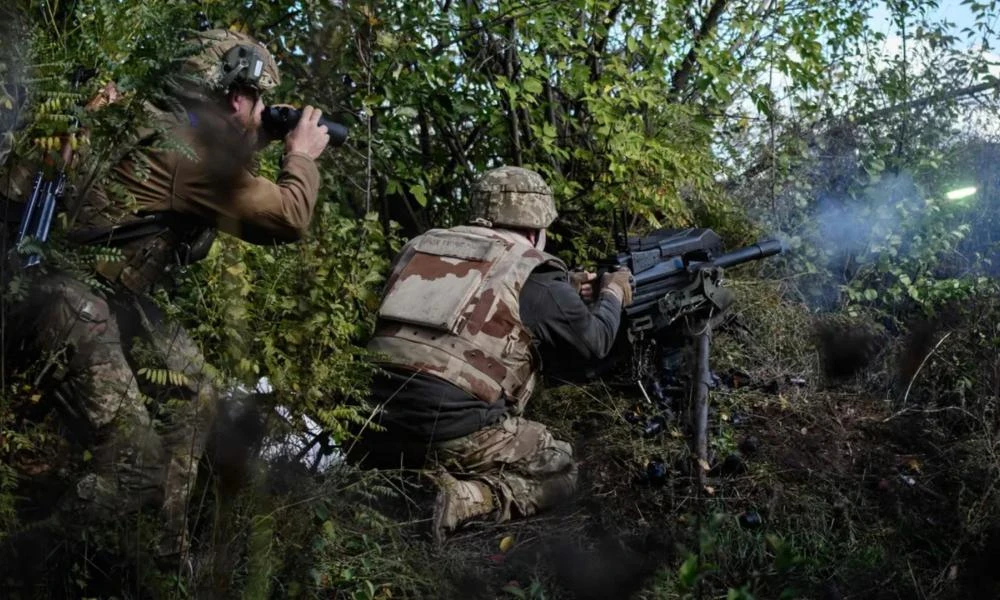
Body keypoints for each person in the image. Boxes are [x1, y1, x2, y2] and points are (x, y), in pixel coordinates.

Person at [4, 29, 331, 562]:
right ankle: (25, 565)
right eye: (260, 100)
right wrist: (303, 155)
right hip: (71, 304)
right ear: (236, 96)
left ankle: (160, 554)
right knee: (137, 469)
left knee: (192, 387)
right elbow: (289, 217)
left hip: (79, 287)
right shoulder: (193, 155)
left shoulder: (144, 119)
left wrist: (255, 135)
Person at [353, 166, 634, 540]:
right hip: (450, 428)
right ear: (536, 230)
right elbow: (594, 343)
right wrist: (613, 292)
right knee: (561, 466)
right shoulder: (532, 269)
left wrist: (564, 287)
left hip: (371, 419)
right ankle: (469, 498)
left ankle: (397, 470)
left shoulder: (421, 246)